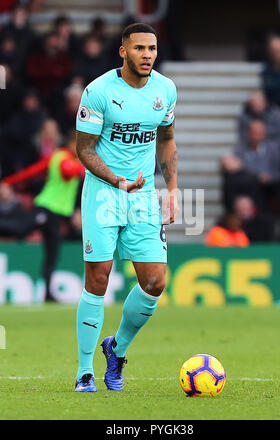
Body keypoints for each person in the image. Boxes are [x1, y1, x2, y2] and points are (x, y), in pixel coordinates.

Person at [74, 23, 178, 392]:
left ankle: (115, 350)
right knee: (98, 279)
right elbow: (84, 149)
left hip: (143, 196)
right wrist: (116, 179)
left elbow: (166, 140)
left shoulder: (165, 90)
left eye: (152, 48)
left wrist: (174, 189)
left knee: (154, 281)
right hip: (104, 193)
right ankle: (85, 372)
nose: (147, 55)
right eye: (139, 48)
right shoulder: (99, 91)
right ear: (123, 52)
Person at [1, 130, 84, 301]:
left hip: (57, 215)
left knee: (52, 253)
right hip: (46, 208)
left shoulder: (65, 159)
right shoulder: (62, 157)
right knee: (20, 229)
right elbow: (67, 172)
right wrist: (88, 164)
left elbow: (32, 171)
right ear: (71, 143)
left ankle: (48, 293)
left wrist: (8, 182)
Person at [222, 119, 280, 210]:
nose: (256, 134)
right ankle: (233, 211)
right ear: (248, 133)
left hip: (270, 183)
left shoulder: (273, 149)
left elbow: (278, 169)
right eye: (254, 132)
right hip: (251, 182)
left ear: (264, 133)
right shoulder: (240, 150)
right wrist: (258, 176)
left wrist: (270, 177)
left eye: (259, 132)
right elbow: (238, 167)